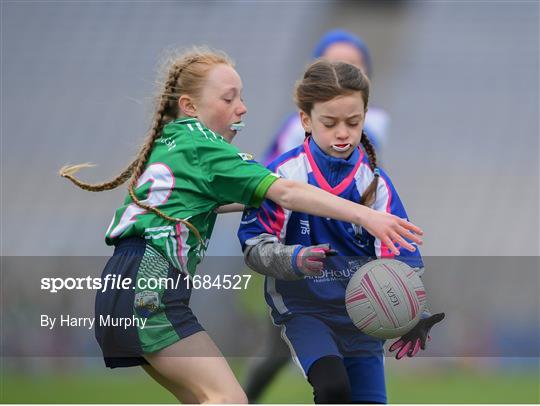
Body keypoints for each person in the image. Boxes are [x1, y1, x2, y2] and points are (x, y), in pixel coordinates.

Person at [59, 47, 424, 404]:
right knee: (228, 398)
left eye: (241, 97)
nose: (242, 108)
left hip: (123, 281)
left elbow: (260, 197)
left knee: (204, 398)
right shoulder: (207, 146)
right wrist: (364, 214)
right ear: (189, 106)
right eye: (229, 98)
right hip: (150, 282)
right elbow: (287, 191)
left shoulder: (173, 140)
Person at [238, 60, 444, 404]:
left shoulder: (375, 184)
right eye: (330, 123)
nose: (343, 133)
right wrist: (295, 258)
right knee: (334, 390)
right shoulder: (282, 177)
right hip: (304, 311)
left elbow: (400, 260)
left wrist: (409, 311)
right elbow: (253, 246)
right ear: (306, 119)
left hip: (363, 319)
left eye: (354, 122)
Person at [243, 29, 391, 403]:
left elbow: (371, 194)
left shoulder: (376, 125)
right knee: (287, 351)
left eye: (353, 65)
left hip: (346, 275)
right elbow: (266, 186)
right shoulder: (295, 132)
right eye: (334, 64)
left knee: (353, 370)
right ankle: (238, 397)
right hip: (298, 265)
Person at [263, 29, 390, 166]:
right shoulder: (295, 127)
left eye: (353, 122)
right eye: (329, 123)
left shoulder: (378, 119)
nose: (343, 72)